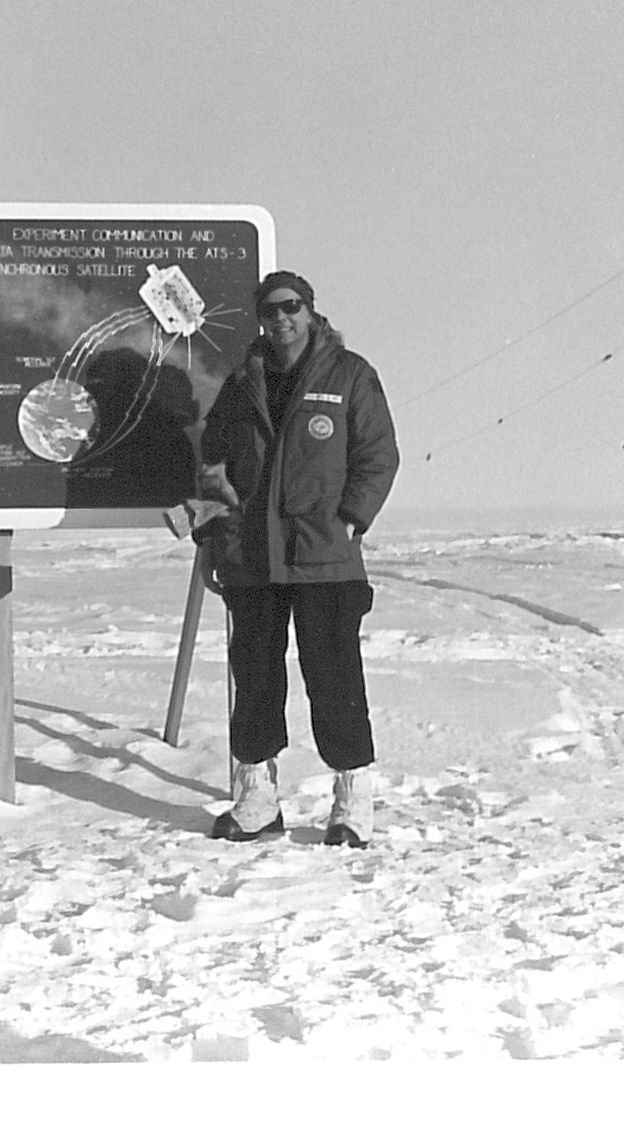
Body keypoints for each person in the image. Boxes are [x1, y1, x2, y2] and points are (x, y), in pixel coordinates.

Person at [193, 270, 399, 846]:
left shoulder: (350, 374)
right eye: (269, 311)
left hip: (323, 558)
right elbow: (213, 463)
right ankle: (256, 799)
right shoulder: (242, 383)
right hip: (252, 559)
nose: (280, 320)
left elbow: (378, 453)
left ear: (310, 311)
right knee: (254, 678)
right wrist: (213, 535)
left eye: (291, 308)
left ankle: (352, 800)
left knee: (333, 679)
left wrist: (351, 518)